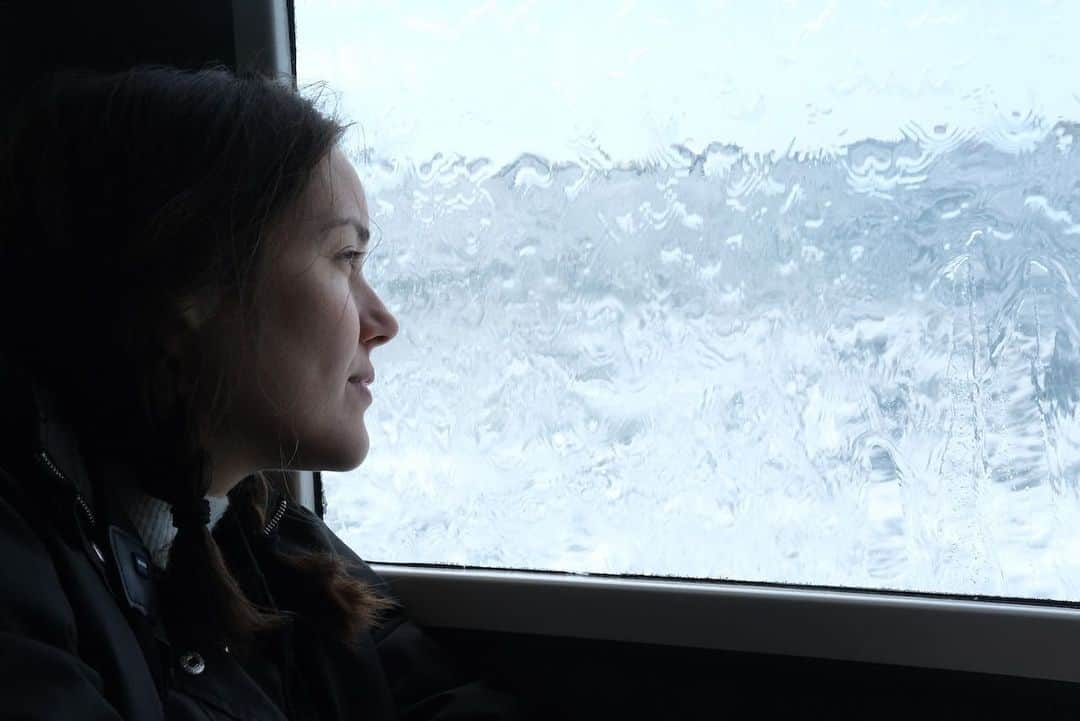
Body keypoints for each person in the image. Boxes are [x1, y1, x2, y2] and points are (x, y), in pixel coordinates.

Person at [0, 67, 522, 720]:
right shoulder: (26, 561)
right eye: (344, 259)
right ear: (189, 286)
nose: (382, 321)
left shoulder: (274, 541)